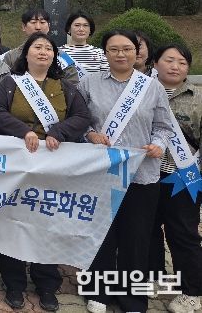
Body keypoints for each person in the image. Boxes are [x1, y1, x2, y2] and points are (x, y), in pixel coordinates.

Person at [0, 32, 91, 312]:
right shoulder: (10, 83)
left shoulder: (65, 86)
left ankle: (46, 283)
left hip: (52, 165)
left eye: (48, 48)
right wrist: (23, 131)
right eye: (37, 47)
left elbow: (82, 117)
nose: (43, 52)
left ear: (54, 56)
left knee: (47, 222)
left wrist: (58, 131)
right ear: (26, 54)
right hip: (18, 164)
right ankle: (14, 283)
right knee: (14, 221)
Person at [78, 29, 174, 313]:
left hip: (142, 174)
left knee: (137, 237)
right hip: (101, 173)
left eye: (127, 49)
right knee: (101, 234)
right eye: (114, 49)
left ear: (137, 52)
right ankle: (98, 292)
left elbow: (164, 127)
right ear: (105, 53)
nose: (121, 54)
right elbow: (78, 120)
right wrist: (90, 134)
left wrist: (158, 145)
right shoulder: (89, 83)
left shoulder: (152, 87)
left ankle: (133, 298)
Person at [149, 44, 202, 313]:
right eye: (169, 60)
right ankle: (151, 276)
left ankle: (192, 292)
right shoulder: (142, 92)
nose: (175, 66)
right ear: (155, 63)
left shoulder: (198, 98)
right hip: (146, 176)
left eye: (182, 62)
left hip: (183, 178)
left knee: (183, 235)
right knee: (146, 230)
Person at [1, 9, 79, 84]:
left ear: (49, 26)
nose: (38, 27)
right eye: (33, 22)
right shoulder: (11, 56)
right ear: (24, 27)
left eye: (42, 22)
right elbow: (4, 84)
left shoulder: (63, 56)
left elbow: (73, 82)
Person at [60, 10, 108, 75]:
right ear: (69, 28)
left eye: (85, 25)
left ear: (90, 30)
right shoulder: (58, 53)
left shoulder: (100, 54)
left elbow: (105, 78)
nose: (81, 29)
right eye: (77, 25)